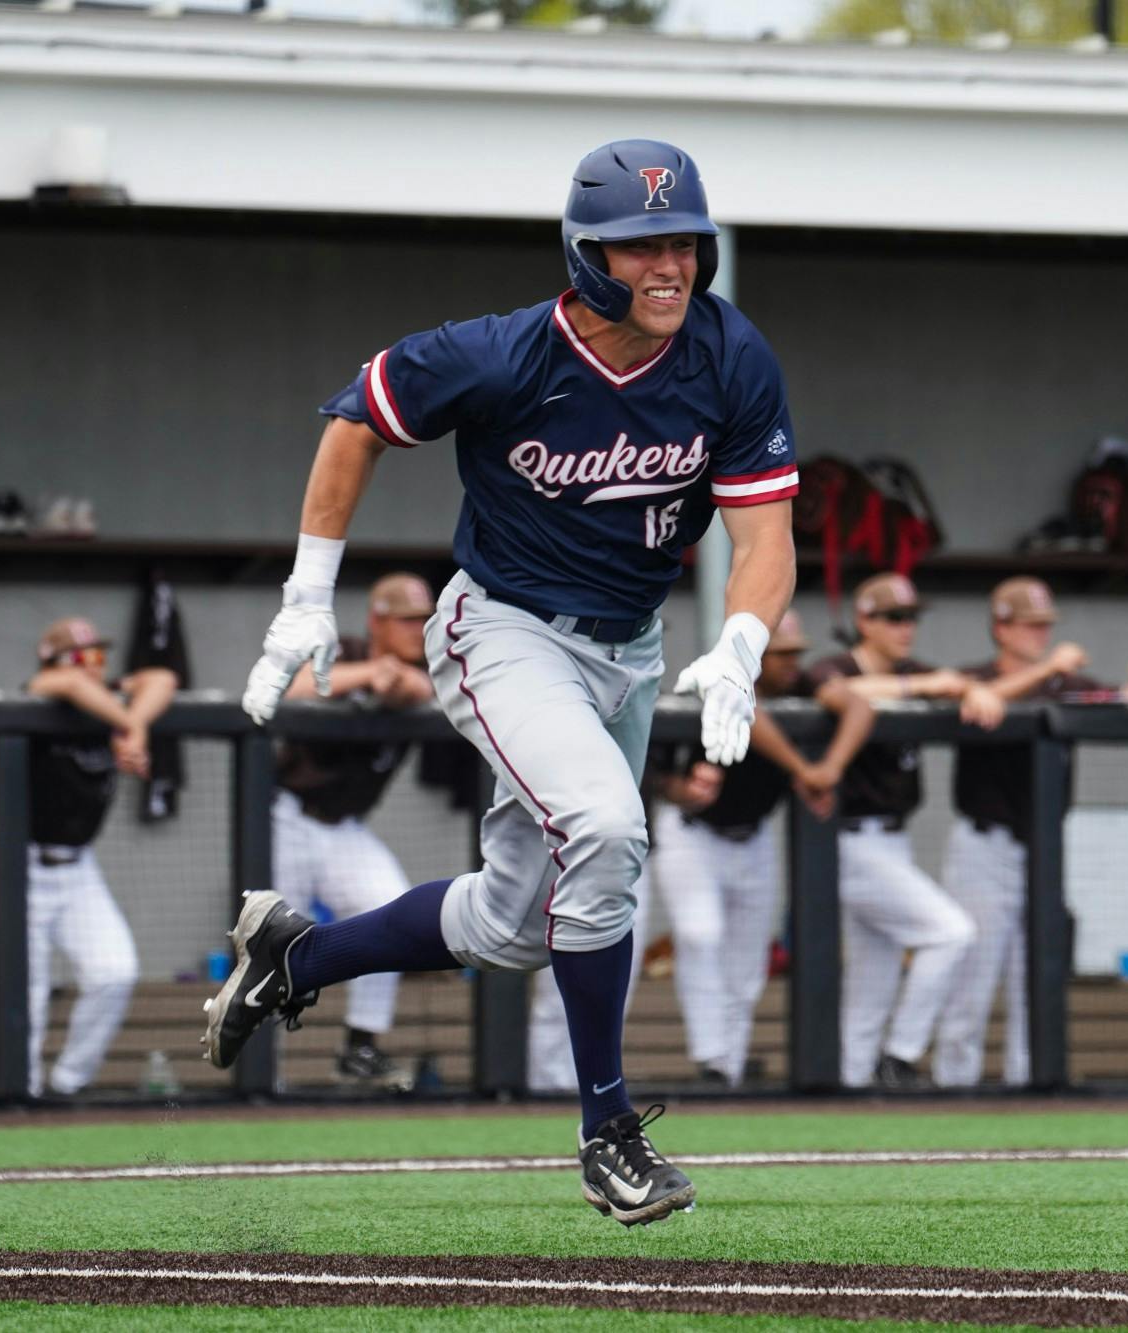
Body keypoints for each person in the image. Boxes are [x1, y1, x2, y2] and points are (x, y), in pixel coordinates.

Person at [205, 140, 798, 1227]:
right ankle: (607, 1130)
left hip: (627, 649)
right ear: (585, 255)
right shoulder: (502, 352)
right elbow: (358, 417)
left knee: (513, 924)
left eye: (680, 241)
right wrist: (307, 593)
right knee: (609, 834)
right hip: (506, 631)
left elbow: (766, 532)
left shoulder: (729, 351)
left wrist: (745, 637)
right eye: (637, 247)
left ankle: (298, 955)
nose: (666, 265)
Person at [934, 576, 1128, 1088]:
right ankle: (951, 1092)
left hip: (1042, 850)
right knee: (971, 983)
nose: (1040, 633)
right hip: (983, 845)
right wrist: (1046, 668)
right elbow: (973, 702)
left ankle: (1029, 1093)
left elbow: (1120, 701)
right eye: (1028, 624)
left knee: (1034, 981)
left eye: (1044, 625)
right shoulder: (977, 677)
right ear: (1000, 627)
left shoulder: (1063, 683)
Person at [653, 608, 875, 1085]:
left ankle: (726, 1068)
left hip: (753, 838)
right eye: (779, 655)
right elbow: (746, 716)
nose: (790, 663)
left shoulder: (802, 685)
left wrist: (829, 769)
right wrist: (803, 769)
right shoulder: (718, 674)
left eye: (795, 653)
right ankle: (711, 1055)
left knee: (748, 958)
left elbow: (860, 708)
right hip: (693, 832)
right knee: (700, 934)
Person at [806, 572, 1006, 1088]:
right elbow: (832, 689)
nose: (906, 628)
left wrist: (973, 687)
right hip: (847, 838)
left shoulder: (917, 670)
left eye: (912, 617)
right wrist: (923, 686)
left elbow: (958, 685)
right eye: (894, 618)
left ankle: (852, 1092)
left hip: (894, 839)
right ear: (864, 620)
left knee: (872, 982)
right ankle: (900, 1054)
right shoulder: (839, 666)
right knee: (951, 932)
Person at [270, 572, 440, 1091]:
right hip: (287, 818)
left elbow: (436, 691)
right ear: (378, 621)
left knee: (391, 909)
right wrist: (369, 674)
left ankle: (360, 1047)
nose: (418, 629)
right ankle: (257, 1062)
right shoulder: (344, 648)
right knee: (272, 943)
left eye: (423, 620)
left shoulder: (429, 666)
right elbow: (289, 688)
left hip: (345, 830)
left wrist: (405, 685)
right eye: (408, 620)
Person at [12, 616, 176, 1097]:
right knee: (28, 992)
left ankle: (66, 1085)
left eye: (100, 657)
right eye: (85, 657)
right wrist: (128, 725)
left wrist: (136, 728)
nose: (94, 666)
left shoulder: (110, 703)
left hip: (78, 868)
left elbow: (162, 677)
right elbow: (57, 681)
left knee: (115, 971)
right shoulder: (42, 693)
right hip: (18, 867)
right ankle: (18, 1095)